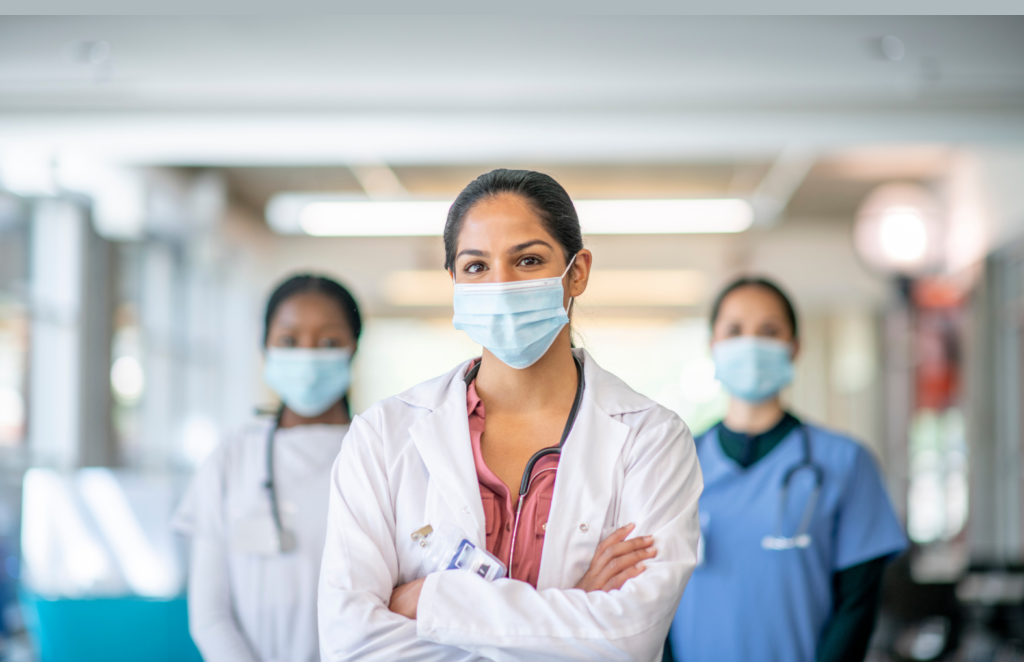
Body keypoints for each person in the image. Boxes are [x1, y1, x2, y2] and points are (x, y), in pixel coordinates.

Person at [318, 168, 703, 661]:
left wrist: (432, 601)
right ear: (454, 281)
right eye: (476, 266)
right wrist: (575, 607)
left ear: (577, 272)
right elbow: (351, 645)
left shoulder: (652, 438)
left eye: (528, 260)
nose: (500, 285)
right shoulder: (382, 436)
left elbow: (628, 641)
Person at [667, 277, 908, 662]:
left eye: (769, 330)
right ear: (713, 346)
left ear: (794, 347)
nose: (750, 344)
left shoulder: (844, 461)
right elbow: (650, 596)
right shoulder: (674, 463)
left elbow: (857, 606)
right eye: (734, 330)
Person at [174, 274, 362, 662]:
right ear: (265, 347)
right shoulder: (231, 457)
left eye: (328, 342)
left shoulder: (380, 453)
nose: (308, 356)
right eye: (289, 340)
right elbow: (209, 615)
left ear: (353, 347)